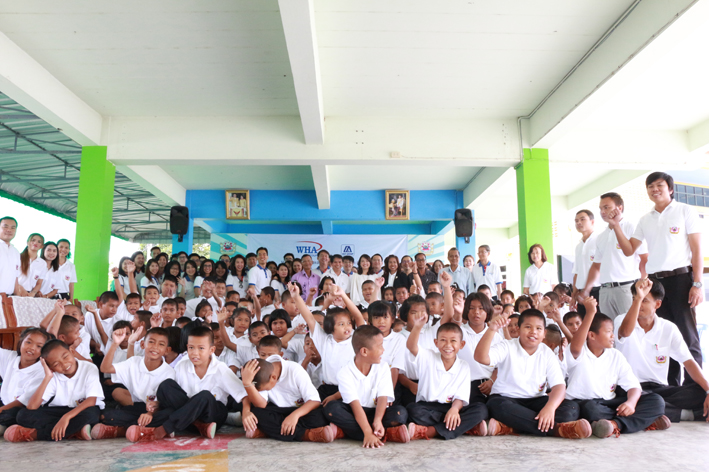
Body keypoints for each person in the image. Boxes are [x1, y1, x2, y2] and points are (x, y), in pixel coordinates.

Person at [612, 173, 703, 386]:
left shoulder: (685, 210)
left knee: (687, 337)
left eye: (660, 185)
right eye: (650, 186)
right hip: (655, 284)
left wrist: (697, 284)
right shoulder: (645, 219)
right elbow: (629, 250)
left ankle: (696, 393)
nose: (655, 189)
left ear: (670, 189)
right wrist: (616, 225)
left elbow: (697, 250)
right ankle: (670, 389)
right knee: (662, 337)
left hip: (681, 279)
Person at [475, 309, 591, 439]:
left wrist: (550, 408)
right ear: (519, 330)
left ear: (544, 334)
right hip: (505, 399)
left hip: (536, 400)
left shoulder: (546, 352)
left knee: (572, 408)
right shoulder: (507, 346)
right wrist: (491, 329)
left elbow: (559, 386)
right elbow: (481, 357)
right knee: (499, 408)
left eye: (538, 328)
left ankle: (510, 427)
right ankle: (557, 430)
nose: (533, 332)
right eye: (528, 327)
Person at [565, 297, 668, 438]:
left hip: (610, 404)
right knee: (590, 410)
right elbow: (576, 346)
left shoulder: (615, 355)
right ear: (592, 335)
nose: (613, 336)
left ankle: (613, 425)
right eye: (608, 332)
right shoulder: (579, 352)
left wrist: (631, 404)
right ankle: (638, 422)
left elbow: (634, 387)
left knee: (656, 401)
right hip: (585, 403)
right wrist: (590, 312)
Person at [615, 279, 709, 423]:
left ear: (657, 304)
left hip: (660, 389)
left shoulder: (668, 328)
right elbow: (625, 332)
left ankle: (655, 413)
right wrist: (639, 298)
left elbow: (689, 363)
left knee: (699, 392)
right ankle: (687, 415)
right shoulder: (621, 320)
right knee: (649, 401)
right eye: (635, 299)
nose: (638, 304)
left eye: (644, 300)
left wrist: (708, 391)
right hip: (630, 389)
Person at [138, 326, 252, 441]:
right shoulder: (182, 365)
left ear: (211, 350)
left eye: (201, 348)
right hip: (188, 416)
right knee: (166, 385)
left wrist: (246, 412)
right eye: (191, 348)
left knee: (205, 396)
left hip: (211, 416)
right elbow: (172, 394)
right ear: (187, 348)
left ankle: (165, 428)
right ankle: (199, 425)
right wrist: (156, 404)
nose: (195, 353)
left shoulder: (221, 369)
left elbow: (244, 395)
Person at [405, 310, 488, 440]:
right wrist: (417, 327)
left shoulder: (464, 366)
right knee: (412, 410)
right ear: (436, 342)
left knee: (481, 409)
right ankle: (464, 426)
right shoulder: (428, 356)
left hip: (452, 407)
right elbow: (411, 346)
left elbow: (461, 396)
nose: (448, 345)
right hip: (428, 407)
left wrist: (454, 410)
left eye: (453, 341)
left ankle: (432, 431)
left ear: (461, 345)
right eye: (443, 340)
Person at [323, 325, 410, 446]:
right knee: (332, 409)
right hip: (355, 411)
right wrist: (367, 432)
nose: (383, 350)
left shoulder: (383, 367)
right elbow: (355, 406)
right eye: (380, 346)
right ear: (364, 351)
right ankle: (383, 434)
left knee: (400, 413)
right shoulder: (345, 373)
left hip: (376, 412)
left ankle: (345, 431)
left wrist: (378, 420)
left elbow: (383, 397)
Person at [6, 339, 104, 442]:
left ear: (72, 351)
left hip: (83, 409)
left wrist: (66, 418)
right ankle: (75, 431)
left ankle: (36, 435)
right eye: (56, 364)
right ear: (50, 367)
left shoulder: (89, 368)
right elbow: (32, 406)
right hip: (59, 411)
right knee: (23, 415)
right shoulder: (53, 376)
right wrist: (47, 377)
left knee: (91, 415)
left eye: (65, 357)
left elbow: (91, 400)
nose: (64, 364)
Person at [288, 282, 366, 402]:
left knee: (334, 410)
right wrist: (296, 297)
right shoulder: (324, 340)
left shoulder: (355, 338)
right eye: (341, 324)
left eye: (349, 323)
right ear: (330, 327)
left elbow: (358, 317)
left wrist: (343, 295)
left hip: (349, 388)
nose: (347, 327)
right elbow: (309, 317)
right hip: (327, 388)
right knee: (312, 411)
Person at [582, 192, 648, 319]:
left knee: (630, 329)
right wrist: (586, 289)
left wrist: (642, 283)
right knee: (609, 331)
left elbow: (644, 259)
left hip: (627, 288)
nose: (602, 212)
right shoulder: (601, 236)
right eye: (601, 208)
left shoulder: (631, 227)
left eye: (606, 207)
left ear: (619, 208)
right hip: (605, 290)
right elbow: (596, 266)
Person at [240, 357, 334, 442]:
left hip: (301, 412)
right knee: (257, 413)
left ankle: (268, 431)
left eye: (264, 389)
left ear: (273, 378)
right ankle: (306, 434)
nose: (262, 391)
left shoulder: (295, 370)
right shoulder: (263, 372)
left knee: (320, 417)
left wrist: (294, 416)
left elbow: (314, 401)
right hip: (278, 411)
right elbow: (261, 405)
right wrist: (247, 384)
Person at [0, 327, 51, 434]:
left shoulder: (41, 371)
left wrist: (1, 410)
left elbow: (22, 402)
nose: (32, 348)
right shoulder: (11, 358)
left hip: (17, 408)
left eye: (39, 346)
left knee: (18, 414)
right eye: (28, 342)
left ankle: (4, 425)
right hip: (3, 403)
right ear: (21, 342)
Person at [570, 210, 600, 316]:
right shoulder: (578, 246)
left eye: (582, 219)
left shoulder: (599, 240)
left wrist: (587, 290)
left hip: (597, 290)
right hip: (581, 293)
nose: (579, 223)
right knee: (585, 326)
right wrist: (574, 295)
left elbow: (600, 267)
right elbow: (576, 272)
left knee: (599, 325)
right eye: (576, 221)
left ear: (592, 222)